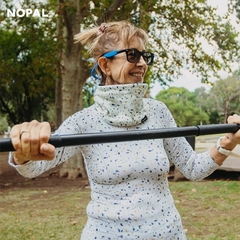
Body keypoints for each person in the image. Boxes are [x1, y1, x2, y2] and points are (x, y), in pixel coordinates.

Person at [9, 21, 240, 239]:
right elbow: (34, 167)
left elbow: (192, 168)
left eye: (144, 56)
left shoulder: (158, 112)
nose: (142, 63)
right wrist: (22, 152)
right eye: (132, 55)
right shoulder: (84, 122)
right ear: (105, 65)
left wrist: (227, 144)